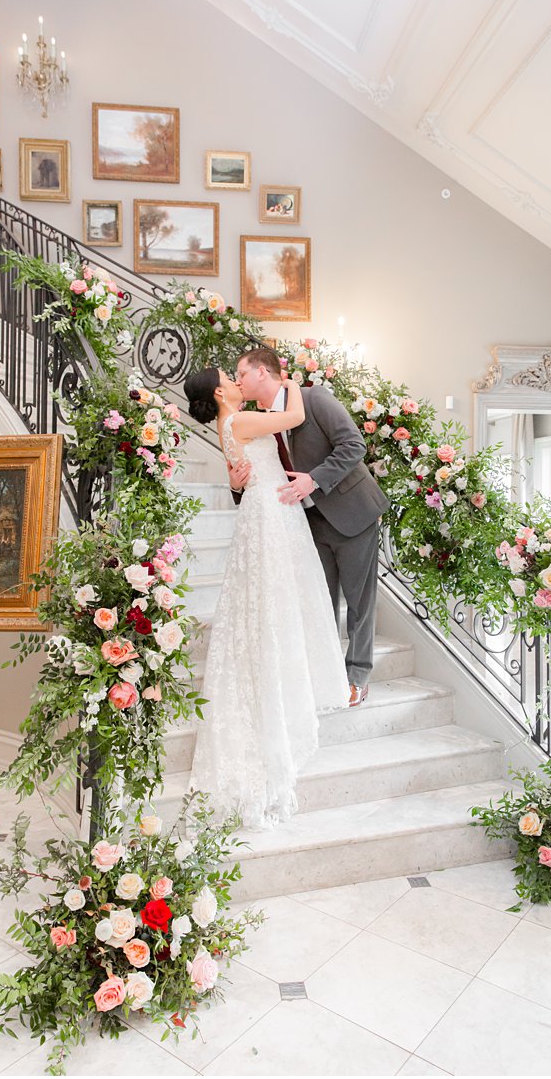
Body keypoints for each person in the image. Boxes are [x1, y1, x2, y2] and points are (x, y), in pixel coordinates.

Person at [181, 366, 349, 830]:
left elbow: (241, 473)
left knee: (273, 596)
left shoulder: (232, 423)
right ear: (219, 392)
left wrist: (236, 483)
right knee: (274, 595)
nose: (237, 383)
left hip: (267, 511)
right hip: (270, 517)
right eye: (229, 378)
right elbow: (293, 417)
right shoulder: (238, 421)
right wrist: (293, 381)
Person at [227, 345, 389, 706]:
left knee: (360, 603)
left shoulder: (314, 399)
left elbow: (353, 445)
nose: (238, 380)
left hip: (353, 513)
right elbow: (257, 476)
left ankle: (358, 676)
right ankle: (327, 673)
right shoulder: (257, 418)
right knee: (321, 602)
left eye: (241, 373)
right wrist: (237, 485)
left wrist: (312, 480)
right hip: (306, 522)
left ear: (262, 373)